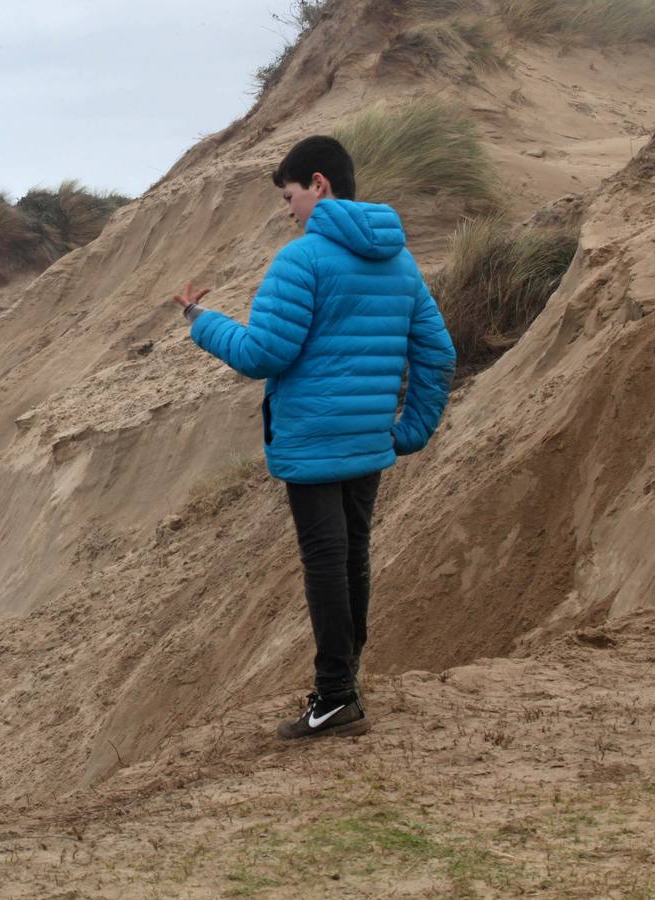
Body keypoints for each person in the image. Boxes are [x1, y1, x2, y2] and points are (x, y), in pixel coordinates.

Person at [173, 135, 456, 740]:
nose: (288, 209)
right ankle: (345, 683)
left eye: (290, 195)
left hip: (311, 442)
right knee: (352, 558)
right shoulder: (399, 261)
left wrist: (202, 323)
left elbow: (263, 353)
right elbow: (438, 354)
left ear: (320, 185)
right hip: (367, 442)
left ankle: (333, 696)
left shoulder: (301, 261)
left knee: (326, 564)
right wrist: (410, 431)